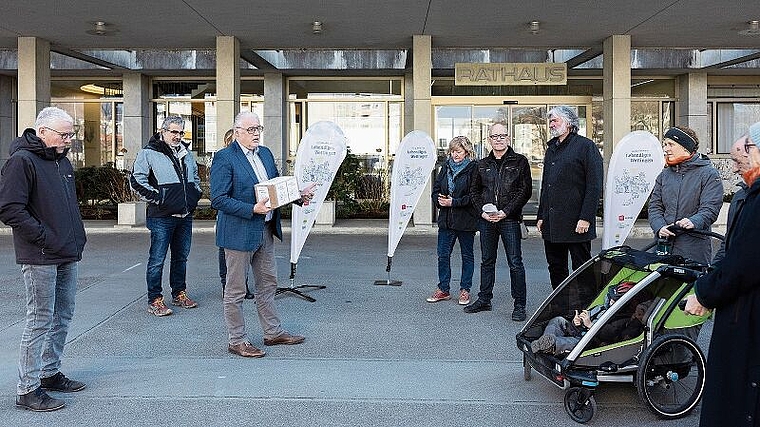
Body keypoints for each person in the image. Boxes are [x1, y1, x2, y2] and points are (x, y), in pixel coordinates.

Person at [0, 107, 87, 411]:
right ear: (42, 132)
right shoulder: (21, 162)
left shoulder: (61, 161)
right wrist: (43, 236)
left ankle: (50, 373)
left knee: (62, 315)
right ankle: (27, 389)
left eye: (70, 134)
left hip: (66, 250)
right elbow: (10, 209)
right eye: (64, 135)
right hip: (40, 255)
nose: (68, 140)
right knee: (39, 319)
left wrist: (77, 236)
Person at [211, 111, 313, 358]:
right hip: (238, 233)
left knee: (267, 285)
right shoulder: (225, 158)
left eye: (258, 128)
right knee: (235, 291)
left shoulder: (265, 154)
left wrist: (298, 196)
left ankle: (273, 333)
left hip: (265, 230)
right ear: (237, 132)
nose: (256, 133)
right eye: (250, 129)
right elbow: (218, 199)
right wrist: (251, 209)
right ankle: (237, 340)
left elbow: (275, 189)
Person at [684, 121, 760, 427]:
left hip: (747, 310)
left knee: (738, 389)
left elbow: (743, 263)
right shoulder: (749, 195)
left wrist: (704, 293)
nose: (737, 166)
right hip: (742, 300)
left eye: (741, 158)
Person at [130, 115, 202, 316]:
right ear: (163, 131)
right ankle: (155, 299)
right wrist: (160, 198)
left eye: (180, 132)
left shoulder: (186, 153)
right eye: (173, 132)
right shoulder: (149, 153)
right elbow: (136, 181)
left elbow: (195, 178)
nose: (177, 136)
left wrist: (195, 194)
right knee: (157, 259)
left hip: (184, 215)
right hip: (161, 216)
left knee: (181, 257)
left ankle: (179, 293)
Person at [464, 123, 532, 321]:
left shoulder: (520, 162)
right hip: (487, 220)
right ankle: (484, 299)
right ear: (489, 140)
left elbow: (524, 191)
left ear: (508, 138)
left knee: (515, 263)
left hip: (509, 220)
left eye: (502, 136)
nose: (499, 139)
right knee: (487, 261)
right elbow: (474, 191)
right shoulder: (482, 164)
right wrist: (481, 213)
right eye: (495, 136)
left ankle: (519, 304)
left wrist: (506, 211)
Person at [537, 106, 603, 290]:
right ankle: (561, 307)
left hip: (577, 223)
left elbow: (594, 185)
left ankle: (584, 310)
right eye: (550, 121)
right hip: (552, 223)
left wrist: (586, 217)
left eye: (555, 120)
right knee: (556, 268)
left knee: (581, 269)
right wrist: (541, 216)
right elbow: (546, 185)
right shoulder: (551, 148)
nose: (551, 124)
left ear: (569, 123)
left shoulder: (585, 146)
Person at [648, 126, 723, 264]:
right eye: (664, 144)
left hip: (693, 249)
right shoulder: (664, 175)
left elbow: (710, 208)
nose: (665, 149)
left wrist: (694, 221)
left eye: (670, 144)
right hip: (663, 247)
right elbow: (655, 207)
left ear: (685, 147)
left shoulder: (709, 174)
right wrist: (660, 227)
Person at [427, 136, 479, 306]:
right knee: (443, 255)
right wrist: (438, 199)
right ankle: (443, 289)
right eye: (452, 151)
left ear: (466, 151)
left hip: (466, 221)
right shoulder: (445, 168)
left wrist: (453, 202)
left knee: (467, 256)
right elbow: (435, 190)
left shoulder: (473, 169)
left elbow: (474, 196)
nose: (455, 154)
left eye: (459, 151)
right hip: (447, 220)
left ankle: (465, 290)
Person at [531, 281, 649, 355]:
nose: (611, 301)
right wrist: (578, 321)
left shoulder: (623, 320)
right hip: (582, 331)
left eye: (615, 301)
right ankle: (546, 340)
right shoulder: (601, 308)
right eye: (611, 298)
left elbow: (610, 334)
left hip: (592, 341)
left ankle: (552, 344)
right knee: (558, 320)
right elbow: (587, 316)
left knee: (572, 343)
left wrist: (590, 325)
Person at [217, 128, 254, 300]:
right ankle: (227, 285)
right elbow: (219, 197)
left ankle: (243, 285)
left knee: (244, 256)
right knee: (227, 255)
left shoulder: (254, 157)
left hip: (247, 219)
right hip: (229, 219)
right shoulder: (224, 158)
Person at [711, 135, 750, 266]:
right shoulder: (739, 196)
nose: (734, 169)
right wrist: (713, 271)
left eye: (738, 161)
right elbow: (728, 243)